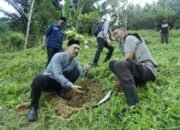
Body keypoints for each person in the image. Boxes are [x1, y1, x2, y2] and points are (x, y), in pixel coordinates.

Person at [27, 39, 89, 122]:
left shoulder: (75, 62)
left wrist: (85, 71)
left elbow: (81, 74)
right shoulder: (58, 56)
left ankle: (61, 90)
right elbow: (57, 74)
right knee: (38, 80)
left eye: (78, 49)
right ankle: (33, 107)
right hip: (50, 81)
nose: (77, 50)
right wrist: (71, 85)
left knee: (76, 71)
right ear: (68, 48)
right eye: (75, 48)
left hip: (61, 83)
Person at [109, 27, 158, 107]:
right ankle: (135, 82)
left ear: (124, 31)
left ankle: (133, 103)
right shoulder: (123, 43)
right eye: (114, 35)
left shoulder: (129, 38)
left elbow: (128, 59)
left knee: (119, 64)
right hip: (140, 70)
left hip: (148, 70)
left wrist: (119, 80)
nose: (115, 36)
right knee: (112, 63)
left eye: (116, 33)